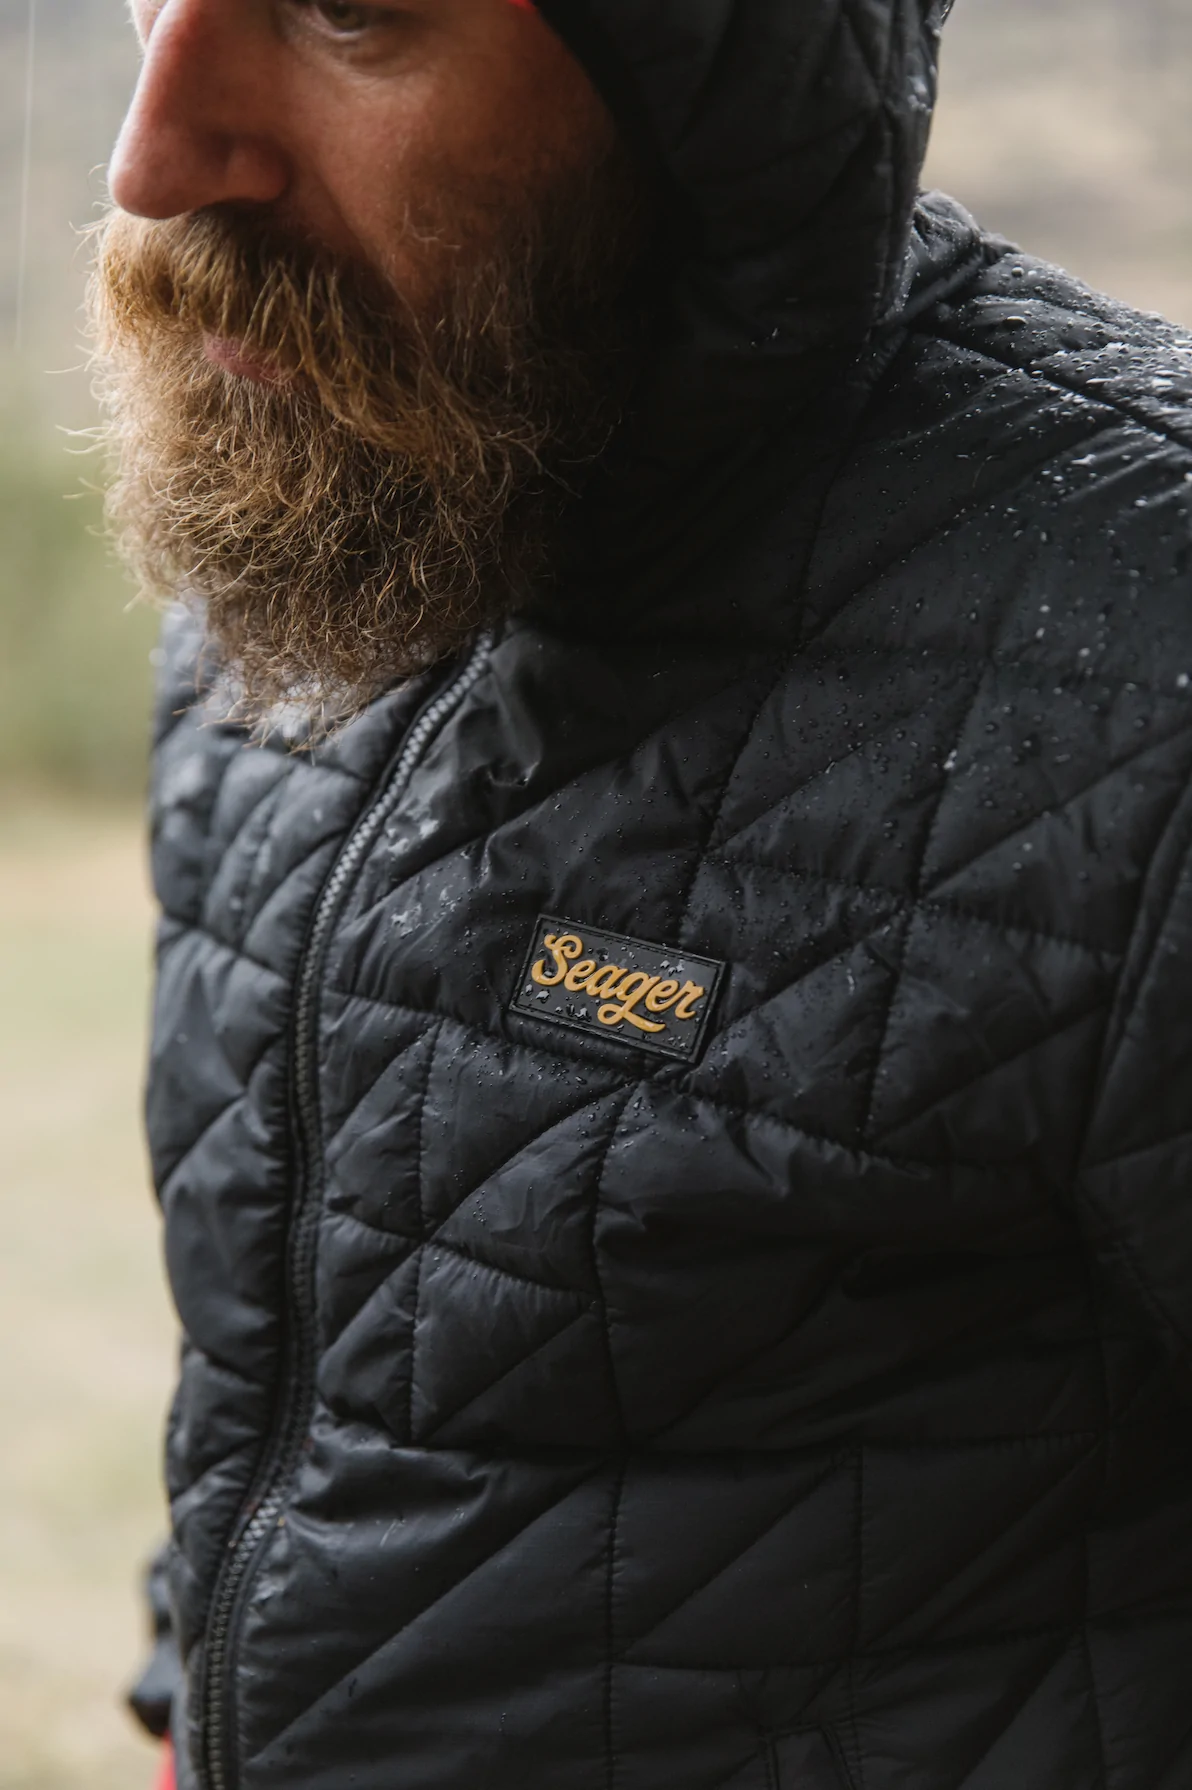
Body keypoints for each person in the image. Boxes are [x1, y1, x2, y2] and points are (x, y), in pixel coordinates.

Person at [94, 1, 1192, 1787]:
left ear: (706, 69)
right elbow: (295, 1384)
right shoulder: (316, 547)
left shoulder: (1148, 646)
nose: (153, 157)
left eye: (349, 10)